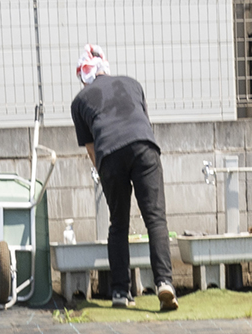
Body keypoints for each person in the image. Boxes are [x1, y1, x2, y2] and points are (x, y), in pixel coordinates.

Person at [70, 44, 179, 312]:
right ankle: (164, 282)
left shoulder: (80, 101)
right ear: (105, 66)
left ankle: (120, 291)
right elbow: (142, 121)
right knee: (155, 218)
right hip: (144, 145)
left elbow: (92, 149)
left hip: (110, 154)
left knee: (118, 223)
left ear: (84, 75)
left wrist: (104, 173)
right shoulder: (132, 84)